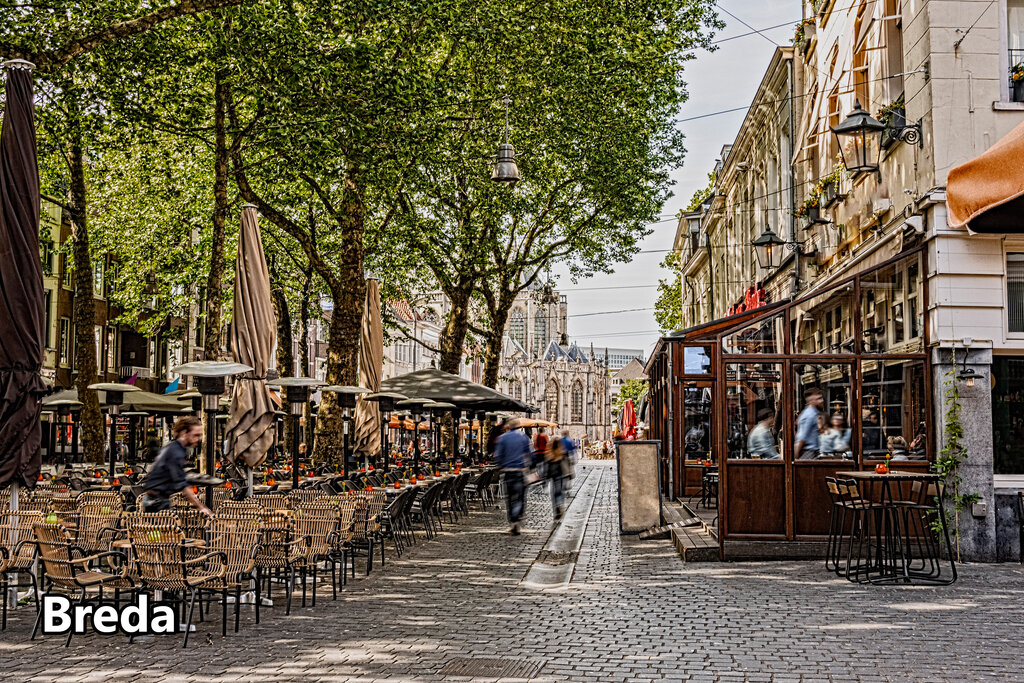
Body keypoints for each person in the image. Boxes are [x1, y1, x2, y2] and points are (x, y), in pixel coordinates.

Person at [140, 416, 213, 517]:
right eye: (195, 435)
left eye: (200, 435)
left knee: (165, 532)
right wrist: (201, 507)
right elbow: (182, 484)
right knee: (163, 532)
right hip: (156, 503)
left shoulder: (173, 447)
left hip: (156, 500)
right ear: (184, 433)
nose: (198, 439)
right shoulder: (176, 452)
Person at [494, 420, 531, 535]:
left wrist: (501, 465)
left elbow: (498, 455)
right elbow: (530, 454)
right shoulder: (524, 437)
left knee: (510, 497)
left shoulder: (503, 438)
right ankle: (516, 520)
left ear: (509, 427)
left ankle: (513, 521)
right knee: (520, 497)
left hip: (508, 471)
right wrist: (531, 466)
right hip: (520, 471)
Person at [795, 387, 824, 460]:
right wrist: (795, 458)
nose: (822, 400)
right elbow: (802, 438)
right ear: (811, 400)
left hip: (813, 452)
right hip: (808, 453)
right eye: (818, 398)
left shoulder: (814, 413)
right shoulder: (809, 415)